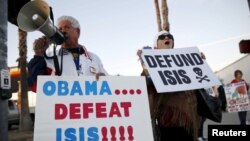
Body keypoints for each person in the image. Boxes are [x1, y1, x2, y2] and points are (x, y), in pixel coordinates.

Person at [137, 31, 201, 141]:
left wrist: (199, 62)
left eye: (169, 36)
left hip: (188, 116)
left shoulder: (184, 59)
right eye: (162, 37)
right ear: (156, 45)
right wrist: (146, 61)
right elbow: (146, 84)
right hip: (167, 118)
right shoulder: (150, 63)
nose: (166, 37)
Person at [28, 16, 108, 91]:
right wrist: (39, 55)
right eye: (60, 29)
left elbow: (109, 85)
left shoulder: (94, 58)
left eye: (66, 27)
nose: (63, 31)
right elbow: (35, 86)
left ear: (77, 32)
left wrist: (106, 80)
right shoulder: (50, 58)